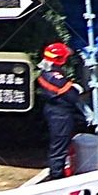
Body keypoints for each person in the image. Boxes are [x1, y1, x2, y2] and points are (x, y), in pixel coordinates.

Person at [37, 42, 84, 181]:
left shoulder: (48, 71)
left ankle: (59, 170)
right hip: (60, 114)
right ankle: (56, 176)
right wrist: (75, 88)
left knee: (61, 143)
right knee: (59, 145)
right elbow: (72, 96)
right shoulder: (54, 76)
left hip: (55, 110)